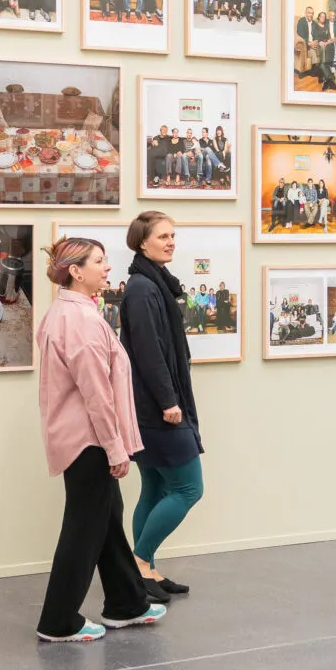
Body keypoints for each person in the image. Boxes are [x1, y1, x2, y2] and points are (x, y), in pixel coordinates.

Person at [33, 237, 166, 642]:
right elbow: (96, 394)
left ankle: (127, 603)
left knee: (106, 519)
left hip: (79, 437)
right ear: (76, 271)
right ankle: (58, 621)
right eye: (99, 261)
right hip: (88, 441)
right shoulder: (83, 323)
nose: (107, 268)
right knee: (83, 529)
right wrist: (115, 448)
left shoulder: (64, 313)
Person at [118, 212, 204, 603]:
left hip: (148, 407)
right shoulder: (141, 288)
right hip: (156, 410)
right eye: (164, 236)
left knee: (153, 487)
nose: (171, 242)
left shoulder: (153, 284)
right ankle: (138, 564)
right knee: (188, 488)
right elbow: (149, 352)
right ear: (142, 243)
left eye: (173, 235)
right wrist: (169, 402)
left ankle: (146, 568)